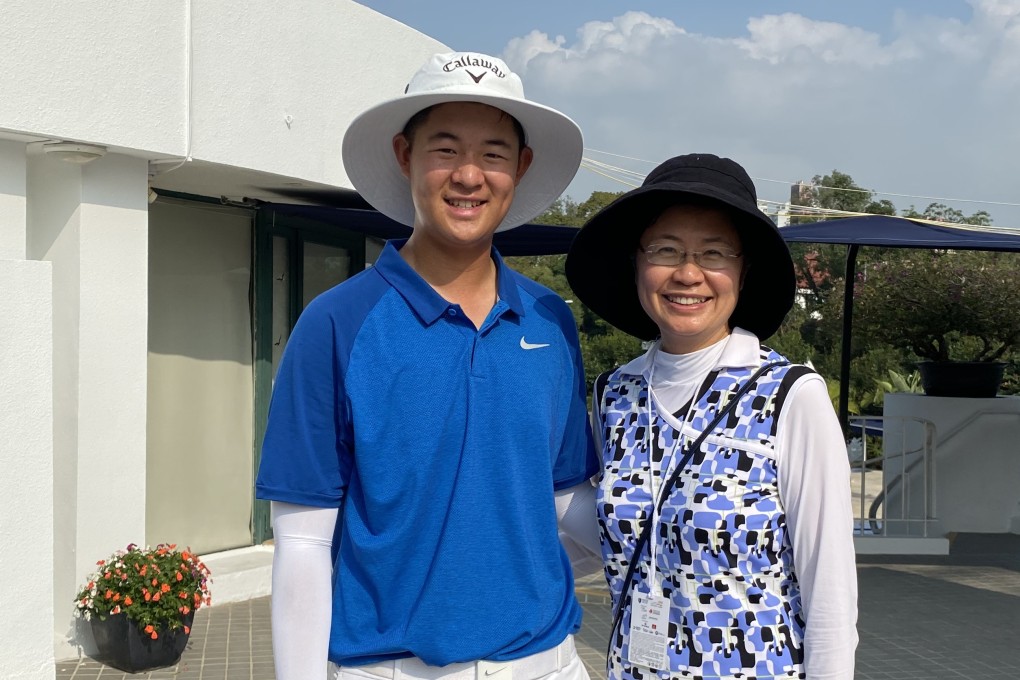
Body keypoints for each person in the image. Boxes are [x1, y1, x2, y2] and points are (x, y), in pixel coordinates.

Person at [254, 51, 599, 680]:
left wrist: (674, 521)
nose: (470, 175)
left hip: (548, 663)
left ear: (520, 167)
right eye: (445, 149)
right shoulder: (336, 323)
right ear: (404, 155)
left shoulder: (551, 320)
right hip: (389, 668)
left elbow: (564, 498)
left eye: (494, 153)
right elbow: (302, 543)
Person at [564, 153, 858, 680]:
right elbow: (609, 537)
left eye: (714, 252)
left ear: (743, 272)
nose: (688, 273)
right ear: (637, 262)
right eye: (666, 249)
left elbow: (829, 589)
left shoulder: (790, 395)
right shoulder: (615, 394)